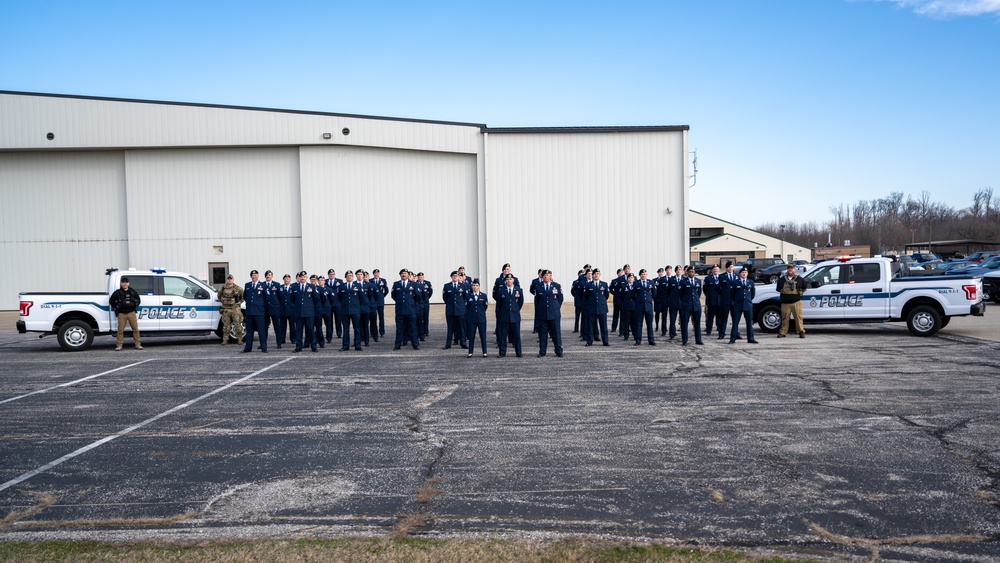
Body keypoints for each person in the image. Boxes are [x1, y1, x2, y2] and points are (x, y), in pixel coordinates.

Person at [535, 270, 564, 357]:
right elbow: (537, 301)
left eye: (548, 275)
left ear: (551, 276)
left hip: (554, 314)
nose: (546, 277)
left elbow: (560, 299)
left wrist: (555, 308)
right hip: (543, 314)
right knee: (543, 334)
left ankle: (559, 351)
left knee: (556, 334)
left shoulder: (556, 286)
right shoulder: (538, 287)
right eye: (544, 275)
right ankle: (542, 351)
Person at [109, 276, 143, 351]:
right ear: (121, 283)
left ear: (128, 283)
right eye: (123, 282)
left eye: (126, 282)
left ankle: (137, 344)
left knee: (135, 329)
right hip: (122, 313)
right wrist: (117, 307)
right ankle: (119, 345)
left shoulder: (132, 292)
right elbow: (111, 301)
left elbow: (138, 300)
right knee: (120, 330)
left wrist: (134, 306)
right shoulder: (117, 293)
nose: (125, 284)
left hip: (131, 312)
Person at [495, 273, 524, 357]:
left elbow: (520, 303)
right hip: (504, 317)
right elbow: (499, 304)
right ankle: (502, 352)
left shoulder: (518, 290)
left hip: (515, 316)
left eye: (510, 279)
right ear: (505, 281)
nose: (509, 281)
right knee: (503, 336)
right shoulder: (501, 290)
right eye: (507, 279)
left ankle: (518, 352)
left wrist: (515, 310)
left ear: (513, 280)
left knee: (517, 336)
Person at [391, 268, 421, 350]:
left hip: (411, 310)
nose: (404, 275)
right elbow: (393, 296)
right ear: (400, 275)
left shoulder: (414, 284)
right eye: (402, 273)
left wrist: (411, 303)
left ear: (408, 275)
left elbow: (418, 296)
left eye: (405, 273)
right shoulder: (396, 284)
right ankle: (397, 345)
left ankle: (415, 344)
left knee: (413, 328)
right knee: (399, 329)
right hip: (400, 310)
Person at [289, 271, 317, 352]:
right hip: (298, 313)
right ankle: (298, 346)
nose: (302, 278)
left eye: (304, 276)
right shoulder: (294, 287)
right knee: (298, 331)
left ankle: (313, 346)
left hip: (309, 312)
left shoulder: (311, 287)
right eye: (301, 277)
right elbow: (292, 299)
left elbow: (316, 299)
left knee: (310, 330)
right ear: (299, 278)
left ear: (306, 277)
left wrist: (310, 307)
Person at [777, 263, 807, 338]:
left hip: (796, 302)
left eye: (792, 268)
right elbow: (779, 289)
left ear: (794, 269)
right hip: (785, 303)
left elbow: (804, 288)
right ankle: (783, 332)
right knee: (785, 318)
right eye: (789, 268)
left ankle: (801, 332)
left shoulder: (800, 279)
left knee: (798, 318)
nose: (790, 270)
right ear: (787, 270)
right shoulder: (782, 280)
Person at [730, 267, 758, 344]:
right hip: (738, 305)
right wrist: (736, 302)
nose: (744, 274)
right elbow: (732, 294)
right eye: (742, 272)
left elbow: (752, 294)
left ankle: (751, 338)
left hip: (747, 305)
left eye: (745, 272)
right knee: (735, 322)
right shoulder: (735, 282)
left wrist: (748, 301)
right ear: (740, 274)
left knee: (749, 323)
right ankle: (732, 339)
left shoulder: (750, 282)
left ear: (747, 274)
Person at [243, 269, 269, 353]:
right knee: (249, 331)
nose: (254, 277)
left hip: (259, 312)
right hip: (249, 312)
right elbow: (245, 297)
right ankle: (248, 348)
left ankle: (264, 347)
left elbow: (267, 298)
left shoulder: (263, 286)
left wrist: (261, 307)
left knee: (261, 330)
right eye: (253, 275)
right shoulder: (247, 285)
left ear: (258, 276)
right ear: (251, 276)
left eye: (255, 275)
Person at [583, 268, 610, 346]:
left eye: (598, 273)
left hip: (602, 308)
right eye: (594, 274)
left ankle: (605, 341)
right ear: (592, 275)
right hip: (591, 308)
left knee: (603, 326)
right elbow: (585, 297)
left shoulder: (604, 284)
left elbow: (606, 295)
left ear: (600, 275)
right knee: (590, 326)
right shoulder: (588, 285)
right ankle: (589, 341)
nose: (596, 275)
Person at [678, 266, 705, 345]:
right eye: (690, 272)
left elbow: (699, 293)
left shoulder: (698, 281)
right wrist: (686, 301)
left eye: (693, 272)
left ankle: (698, 340)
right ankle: (685, 340)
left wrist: (695, 301)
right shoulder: (683, 281)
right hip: (686, 305)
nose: (691, 273)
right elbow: (680, 294)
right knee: (684, 323)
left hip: (696, 305)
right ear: (687, 272)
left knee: (697, 323)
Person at [442, 271, 468, 349]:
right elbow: (445, 298)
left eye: (456, 276)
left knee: (461, 328)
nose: (455, 277)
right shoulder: (447, 286)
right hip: (450, 310)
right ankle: (448, 344)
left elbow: (465, 297)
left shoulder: (463, 286)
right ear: (451, 277)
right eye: (453, 276)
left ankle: (463, 343)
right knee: (450, 328)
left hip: (460, 310)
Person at [339, 270, 363, 351]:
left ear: (353, 277)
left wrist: (358, 308)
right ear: (345, 277)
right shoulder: (342, 286)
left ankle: (358, 345)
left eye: (351, 275)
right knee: (346, 329)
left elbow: (362, 298)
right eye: (348, 275)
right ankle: (345, 346)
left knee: (357, 329)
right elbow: (339, 298)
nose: (349, 277)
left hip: (355, 310)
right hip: (345, 311)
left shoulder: (358, 285)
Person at [217, 274, 244, 346]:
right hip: (226, 309)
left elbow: (243, 297)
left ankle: (239, 339)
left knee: (237, 324)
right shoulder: (222, 288)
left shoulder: (238, 288)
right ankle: (225, 339)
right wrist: (223, 302)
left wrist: (238, 302)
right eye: (228, 279)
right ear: (227, 280)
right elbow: (219, 296)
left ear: (233, 280)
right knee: (226, 325)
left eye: (231, 279)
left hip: (235, 309)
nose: (229, 280)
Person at [632, 268, 656, 345]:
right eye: (642, 274)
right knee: (639, 324)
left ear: (646, 275)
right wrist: (638, 300)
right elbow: (632, 294)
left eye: (645, 274)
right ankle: (638, 340)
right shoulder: (636, 283)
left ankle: (651, 340)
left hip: (648, 306)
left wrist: (649, 300)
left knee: (649, 324)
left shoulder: (651, 282)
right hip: (639, 306)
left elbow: (654, 293)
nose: (643, 275)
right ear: (640, 275)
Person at [465, 280, 489, 357]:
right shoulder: (468, 296)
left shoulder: (483, 296)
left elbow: (485, 307)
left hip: (481, 318)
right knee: (471, 336)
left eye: (476, 285)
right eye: (473, 285)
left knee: (483, 336)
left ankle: (484, 352)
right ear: (472, 286)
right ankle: (470, 352)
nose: (475, 287)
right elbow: (467, 307)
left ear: (479, 286)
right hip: (472, 319)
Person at [717, 261, 737, 339]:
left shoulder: (736, 276)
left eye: (732, 267)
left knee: (735, 318)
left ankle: (736, 333)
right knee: (724, 318)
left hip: (734, 301)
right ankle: (722, 333)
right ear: (726, 268)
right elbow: (717, 287)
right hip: (725, 300)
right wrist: (723, 294)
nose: (731, 268)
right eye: (729, 267)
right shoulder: (722, 276)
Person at [262, 270, 282, 348]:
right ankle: (263, 343)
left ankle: (279, 343)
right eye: (267, 275)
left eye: (269, 275)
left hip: (275, 309)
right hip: (265, 309)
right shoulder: (262, 285)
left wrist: (277, 306)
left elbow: (280, 297)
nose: (268, 276)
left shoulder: (276, 285)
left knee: (277, 327)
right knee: (264, 328)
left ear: (272, 276)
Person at [702, 265, 720, 337]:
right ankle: (709, 330)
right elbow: (705, 289)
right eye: (714, 269)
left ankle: (719, 329)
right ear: (711, 270)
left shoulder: (721, 278)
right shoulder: (708, 278)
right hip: (711, 301)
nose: (715, 270)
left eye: (716, 269)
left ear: (719, 270)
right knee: (710, 317)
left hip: (719, 301)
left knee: (719, 317)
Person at [616, 273, 635, 341]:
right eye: (629, 278)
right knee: (626, 321)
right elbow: (620, 296)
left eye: (632, 278)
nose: (630, 279)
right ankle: (626, 335)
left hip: (634, 306)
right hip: (626, 306)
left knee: (634, 321)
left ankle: (635, 334)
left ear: (634, 279)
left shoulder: (636, 286)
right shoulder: (624, 286)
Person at [276, 273, 293, 348]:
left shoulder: (293, 287)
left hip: (291, 309)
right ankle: (282, 339)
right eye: (285, 279)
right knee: (282, 326)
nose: (286, 280)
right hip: (282, 309)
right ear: (283, 280)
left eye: (288, 279)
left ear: (290, 280)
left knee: (292, 326)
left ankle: (293, 339)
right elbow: (278, 298)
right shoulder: (280, 288)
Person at [665, 265, 682, 340]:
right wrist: (669, 300)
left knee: (683, 320)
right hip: (673, 303)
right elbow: (667, 291)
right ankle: (672, 334)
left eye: (680, 270)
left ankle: (683, 333)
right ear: (675, 271)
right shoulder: (671, 280)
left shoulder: (684, 279)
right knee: (672, 319)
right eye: (677, 270)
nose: (679, 271)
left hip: (682, 303)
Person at [371, 268, 389, 337]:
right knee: (372, 318)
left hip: (380, 302)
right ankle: (372, 332)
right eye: (375, 273)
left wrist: (382, 296)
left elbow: (386, 290)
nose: (376, 274)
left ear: (379, 274)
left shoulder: (383, 280)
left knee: (381, 317)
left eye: (377, 273)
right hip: (373, 302)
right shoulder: (371, 281)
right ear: (373, 274)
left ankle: (382, 331)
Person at [326, 269, 343, 340]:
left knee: (338, 319)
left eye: (333, 274)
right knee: (329, 320)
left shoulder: (339, 281)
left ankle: (339, 333)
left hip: (337, 303)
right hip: (329, 303)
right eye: (330, 274)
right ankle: (330, 334)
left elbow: (342, 292)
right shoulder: (326, 281)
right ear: (328, 275)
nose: (331, 275)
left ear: (335, 274)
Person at [312, 276, 328, 349]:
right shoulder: (308, 288)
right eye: (312, 279)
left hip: (318, 310)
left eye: (315, 279)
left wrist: (320, 307)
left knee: (318, 327)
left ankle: (321, 342)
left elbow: (324, 300)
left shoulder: (320, 289)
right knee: (310, 327)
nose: (313, 281)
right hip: (309, 310)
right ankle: (309, 342)